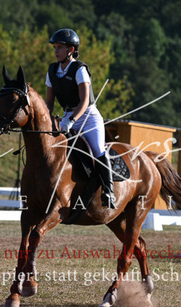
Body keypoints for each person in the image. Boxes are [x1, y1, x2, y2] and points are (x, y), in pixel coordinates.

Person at [46, 28, 116, 208]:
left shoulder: (79, 69)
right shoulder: (52, 70)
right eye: (55, 47)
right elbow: (49, 103)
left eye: (60, 47)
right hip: (67, 116)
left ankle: (109, 191)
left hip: (88, 116)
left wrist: (72, 120)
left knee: (98, 149)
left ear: (70, 50)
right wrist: (48, 121)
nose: (56, 51)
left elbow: (84, 101)